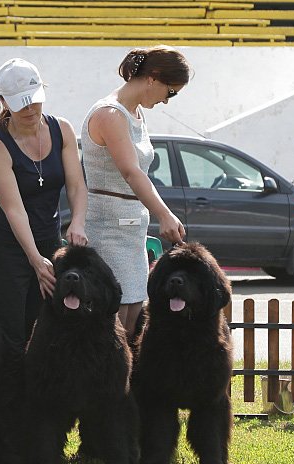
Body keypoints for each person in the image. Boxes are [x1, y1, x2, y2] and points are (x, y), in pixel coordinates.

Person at [0, 58, 88, 464]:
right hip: (10, 249)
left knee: (46, 339)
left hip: (48, 241)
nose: (31, 109)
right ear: (3, 102)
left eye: (35, 100)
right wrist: (33, 258)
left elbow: (75, 185)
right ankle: (7, 450)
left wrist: (75, 222)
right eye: (21, 103)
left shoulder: (61, 128)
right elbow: (13, 209)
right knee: (11, 344)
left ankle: (45, 442)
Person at [82, 45, 190, 333]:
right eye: (171, 92)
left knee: (132, 319)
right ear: (153, 78)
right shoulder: (110, 114)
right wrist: (164, 215)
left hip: (132, 226)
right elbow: (131, 172)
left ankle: (125, 379)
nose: (168, 101)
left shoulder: (136, 113)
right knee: (112, 322)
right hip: (107, 226)